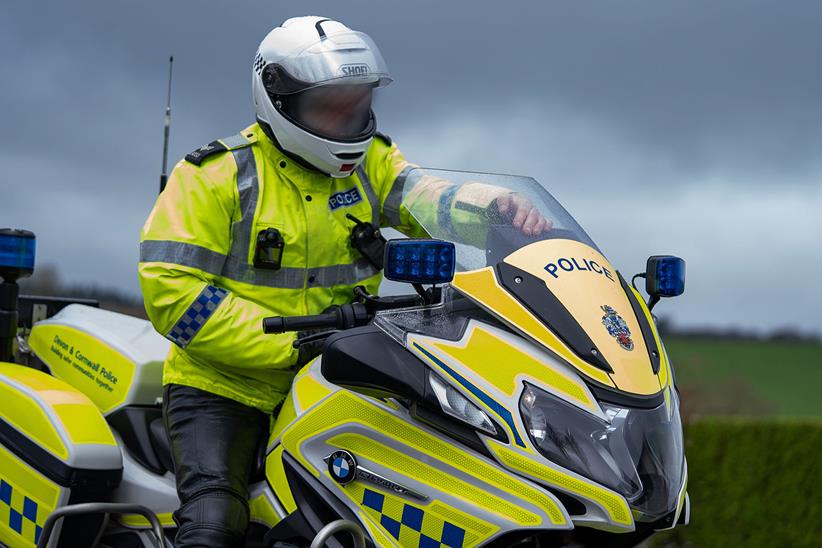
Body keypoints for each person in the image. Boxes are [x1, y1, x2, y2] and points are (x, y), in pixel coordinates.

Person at [138, 16, 549, 547]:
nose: (346, 117)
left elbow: (426, 198)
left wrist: (493, 208)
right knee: (216, 521)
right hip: (222, 388)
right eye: (329, 106)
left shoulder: (371, 164)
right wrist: (291, 342)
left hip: (339, 373)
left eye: (355, 102)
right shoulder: (216, 176)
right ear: (279, 101)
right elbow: (173, 292)